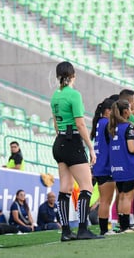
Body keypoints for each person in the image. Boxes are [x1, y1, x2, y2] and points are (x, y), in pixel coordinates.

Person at [50, 61, 103, 241]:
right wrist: (90, 147)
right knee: (86, 186)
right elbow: (80, 124)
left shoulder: (55, 96)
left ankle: (65, 231)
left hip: (59, 142)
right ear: (73, 75)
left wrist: (62, 139)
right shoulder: (74, 95)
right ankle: (82, 228)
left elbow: (56, 123)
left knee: (64, 188)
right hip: (72, 141)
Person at [108, 99, 134, 233]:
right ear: (126, 111)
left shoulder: (113, 127)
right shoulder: (128, 127)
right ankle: (126, 226)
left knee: (121, 195)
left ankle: (122, 225)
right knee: (127, 196)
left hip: (117, 166)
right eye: (130, 109)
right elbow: (132, 148)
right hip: (129, 166)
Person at [90, 98, 116, 235]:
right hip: (106, 166)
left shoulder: (99, 123)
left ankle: (104, 229)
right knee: (106, 200)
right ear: (108, 111)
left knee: (104, 200)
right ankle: (104, 230)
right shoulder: (107, 124)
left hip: (99, 166)